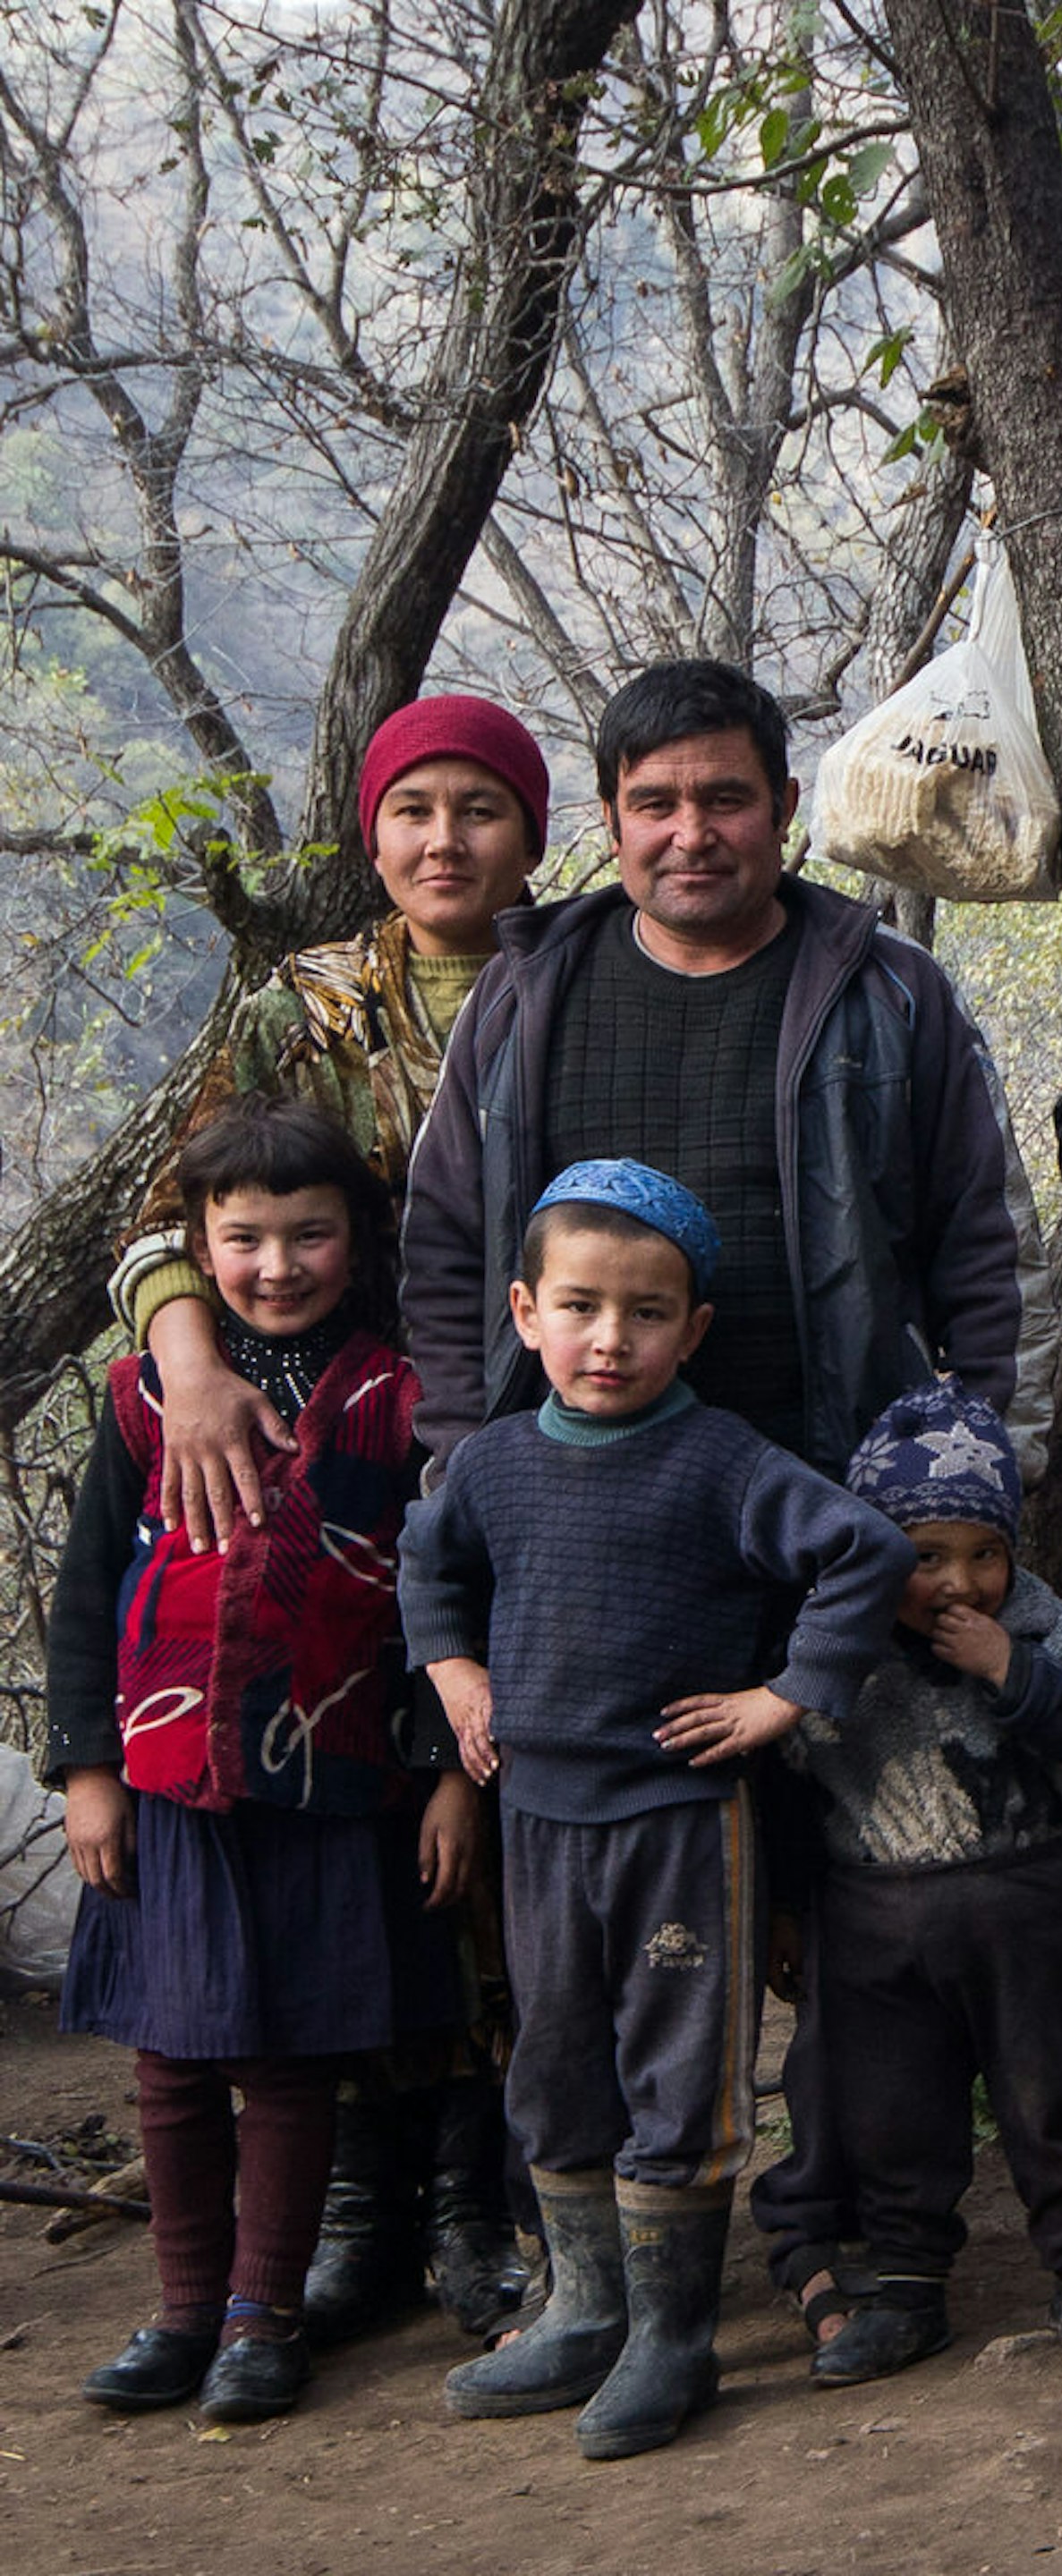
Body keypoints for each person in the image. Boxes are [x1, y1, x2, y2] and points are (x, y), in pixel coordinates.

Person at [106, 692, 551, 2346]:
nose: (447, 841)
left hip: (536, 1448)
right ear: (372, 833)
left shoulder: (574, 983)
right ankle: (362, 2197)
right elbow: (174, 1216)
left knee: (487, 1808)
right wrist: (193, 1363)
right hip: (344, 1450)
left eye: (481, 810)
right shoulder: (303, 1006)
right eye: (416, 810)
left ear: (533, 829)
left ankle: (480, 2194)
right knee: (359, 1817)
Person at [398, 1161, 913, 2461]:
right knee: (556, 2058)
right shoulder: (493, 1464)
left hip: (685, 1826)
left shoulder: (724, 1460)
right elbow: (428, 1560)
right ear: (524, 1312)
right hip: (539, 1824)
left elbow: (865, 1552)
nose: (609, 1338)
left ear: (693, 1330)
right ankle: (584, 2309)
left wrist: (787, 1694)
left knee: (679, 2069)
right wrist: (455, 1668)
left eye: (646, 1312)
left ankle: (672, 2338)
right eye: (580, 1307)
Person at [47, 1097, 477, 2425]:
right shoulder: (144, 1399)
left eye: (310, 1234)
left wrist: (454, 1772)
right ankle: (182, 2309)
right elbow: (81, 1599)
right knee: (171, 2065)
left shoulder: (406, 1404)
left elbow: (446, 1603)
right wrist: (86, 1771)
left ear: (361, 1239)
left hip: (333, 1783)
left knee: (288, 2061)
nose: (278, 1265)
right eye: (243, 1239)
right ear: (195, 1242)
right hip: (170, 1785)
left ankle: (260, 2317)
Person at [400, 658, 1049, 1481]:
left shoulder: (888, 992)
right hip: (564, 1506)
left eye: (725, 799)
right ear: (611, 821)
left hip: (840, 1503)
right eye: (654, 805)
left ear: (783, 808)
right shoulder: (522, 997)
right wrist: (473, 1465)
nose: (691, 834)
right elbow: (445, 1254)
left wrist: (976, 1478)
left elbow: (990, 1252)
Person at [753, 1381, 1062, 2388]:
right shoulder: (833, 1645)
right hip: (875, 1920)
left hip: (1022, 1906)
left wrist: (1010, 1665)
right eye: (924, 1557)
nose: (958, 1583)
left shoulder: (1044, 1627)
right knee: (893, 2115)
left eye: (984, 1554)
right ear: (878, 1553)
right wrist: (789, 1909)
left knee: (1044, 2097)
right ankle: (909, 2289)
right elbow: (790, 1784)